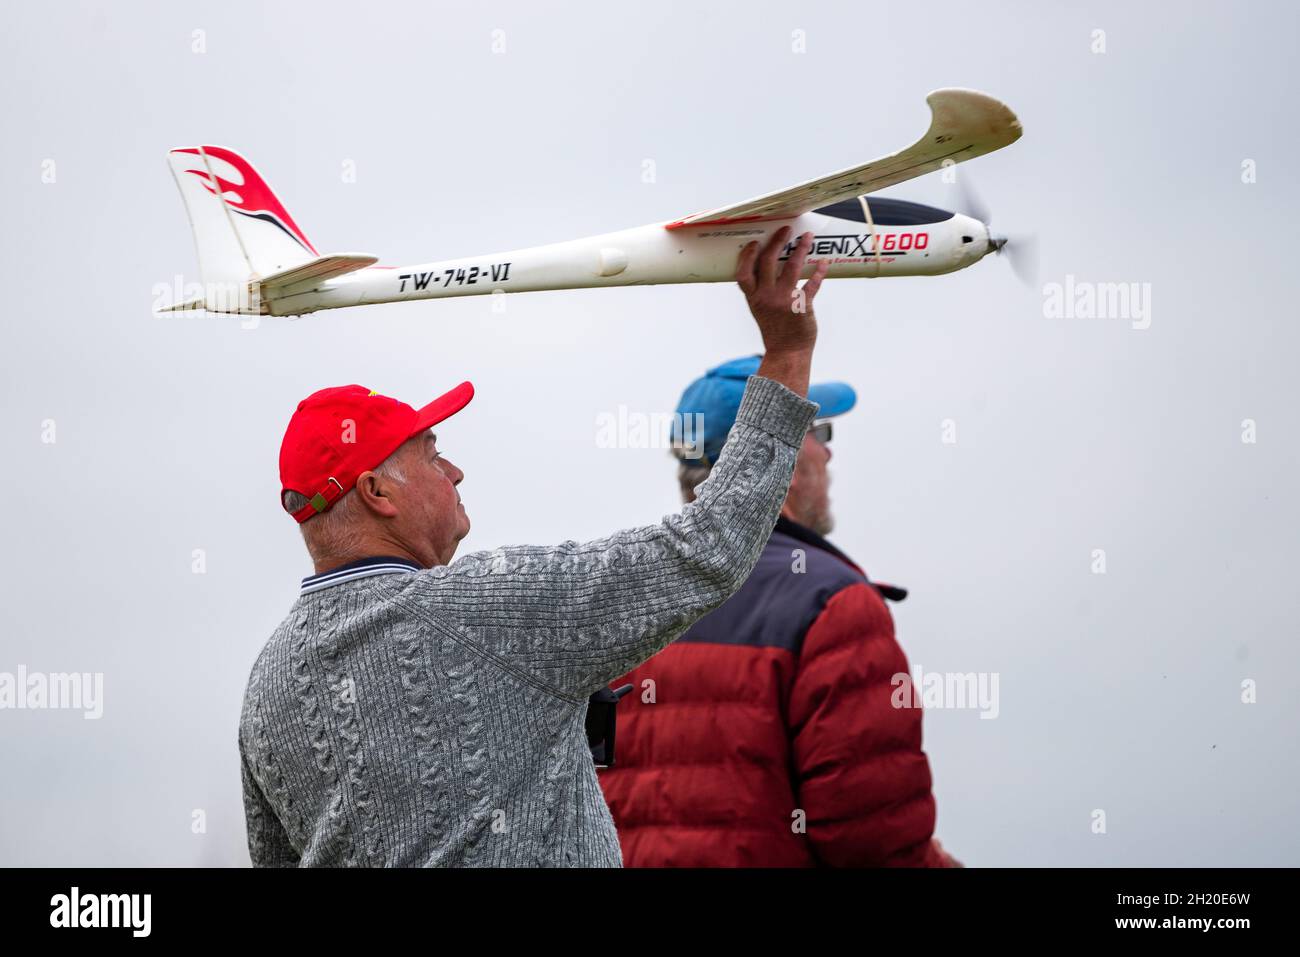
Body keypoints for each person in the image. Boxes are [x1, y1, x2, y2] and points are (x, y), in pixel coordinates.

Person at [238, 227, 830, 866]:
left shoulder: (266, 684)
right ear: (378, 491)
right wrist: (788, 350)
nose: (455, 473)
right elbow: (707, 548)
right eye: (433, 456)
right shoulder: (481, 608)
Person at [596, 356, 961, 867]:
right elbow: (872, 840)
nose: (829, 455)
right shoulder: (834, 604)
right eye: (820, 431)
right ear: (779, 458)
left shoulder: (614, 595)